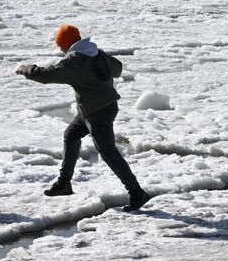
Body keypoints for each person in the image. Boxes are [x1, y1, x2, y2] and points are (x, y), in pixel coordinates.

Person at [16, 24, 151, 212]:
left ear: (65, 44)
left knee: (108, 153)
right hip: (92, 108)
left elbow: (47, 75)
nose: (60, 49)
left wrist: (25, 69)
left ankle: (137, 193)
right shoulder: (96, 53)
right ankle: (64, 183)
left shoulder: (74, 60)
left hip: (98, 112)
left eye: (60, 45)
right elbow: (117, 68)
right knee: (71, 135)